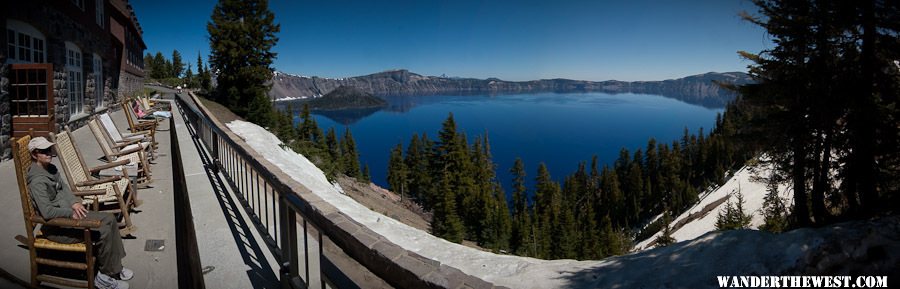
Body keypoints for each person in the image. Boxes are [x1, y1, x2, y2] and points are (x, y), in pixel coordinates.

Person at [26, 137, 133, 289]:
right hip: (58, 226)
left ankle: (115, 267)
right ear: (34, 154)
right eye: (43, 151)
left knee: (110, 219)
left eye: (49, 149)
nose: (48, 153)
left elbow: (64, 189)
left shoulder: (51, 169)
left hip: (71, 214)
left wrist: (75, 202)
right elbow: (47, 212)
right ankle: (104, 277)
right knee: (103, 229)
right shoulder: (37, 181)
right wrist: (70, 212)